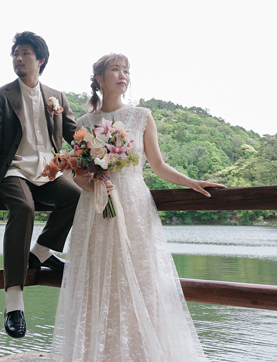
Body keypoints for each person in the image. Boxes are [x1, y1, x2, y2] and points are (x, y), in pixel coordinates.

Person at [51, 53, 222, 362]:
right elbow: (76, 172)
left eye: (126, 70)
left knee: (142, 282)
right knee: (94, 282)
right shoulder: (85, 124)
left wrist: (191, 182)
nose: (122, 75)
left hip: (133, 203)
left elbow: (157, 165)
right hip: (96, 207)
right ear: (100, 78)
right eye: (115, 69)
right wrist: (89, 183)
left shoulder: (142, 116)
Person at [0, 31, 82, 339]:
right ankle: (14, 302)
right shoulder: (0, 96)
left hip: (48, 173)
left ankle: (40, 252)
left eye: (25, 53)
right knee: (24, 208)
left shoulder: (56, 97)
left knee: (77, 197)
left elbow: (74, 133)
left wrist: (101, 153)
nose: (18, 58)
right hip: (12, 171)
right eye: (15, 53)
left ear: (40, 60)